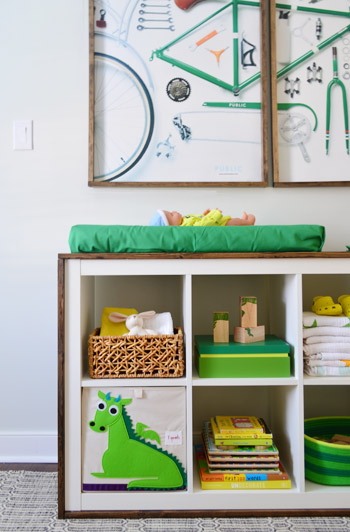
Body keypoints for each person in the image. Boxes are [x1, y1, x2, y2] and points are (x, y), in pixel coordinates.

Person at [149, 209, 255, 227]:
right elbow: (203, 225)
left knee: (232, 220)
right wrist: (214, 214)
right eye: (172, 215)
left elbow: (200, 220)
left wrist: (205, 215)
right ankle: (248, 223)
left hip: (216, 222)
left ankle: (244, 221)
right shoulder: (185, 226)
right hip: (220, 225)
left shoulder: (185, 219)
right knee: (233, 222)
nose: (174, 212)